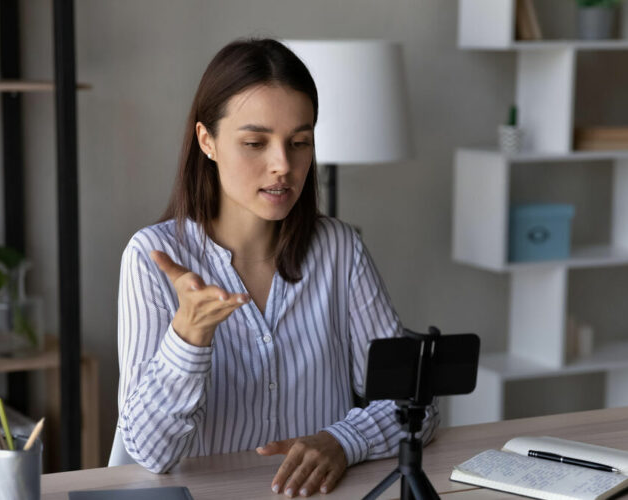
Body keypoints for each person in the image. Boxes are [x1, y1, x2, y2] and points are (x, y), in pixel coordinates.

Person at [117, 37, 439, 497]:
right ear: (207, 141)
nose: (282, 165)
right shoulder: (151, 258)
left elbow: (417, 405)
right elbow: (151, 453)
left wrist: (342, 442)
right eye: (254, 142)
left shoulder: (339, 250)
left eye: (300, 141)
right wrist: (188, 335)